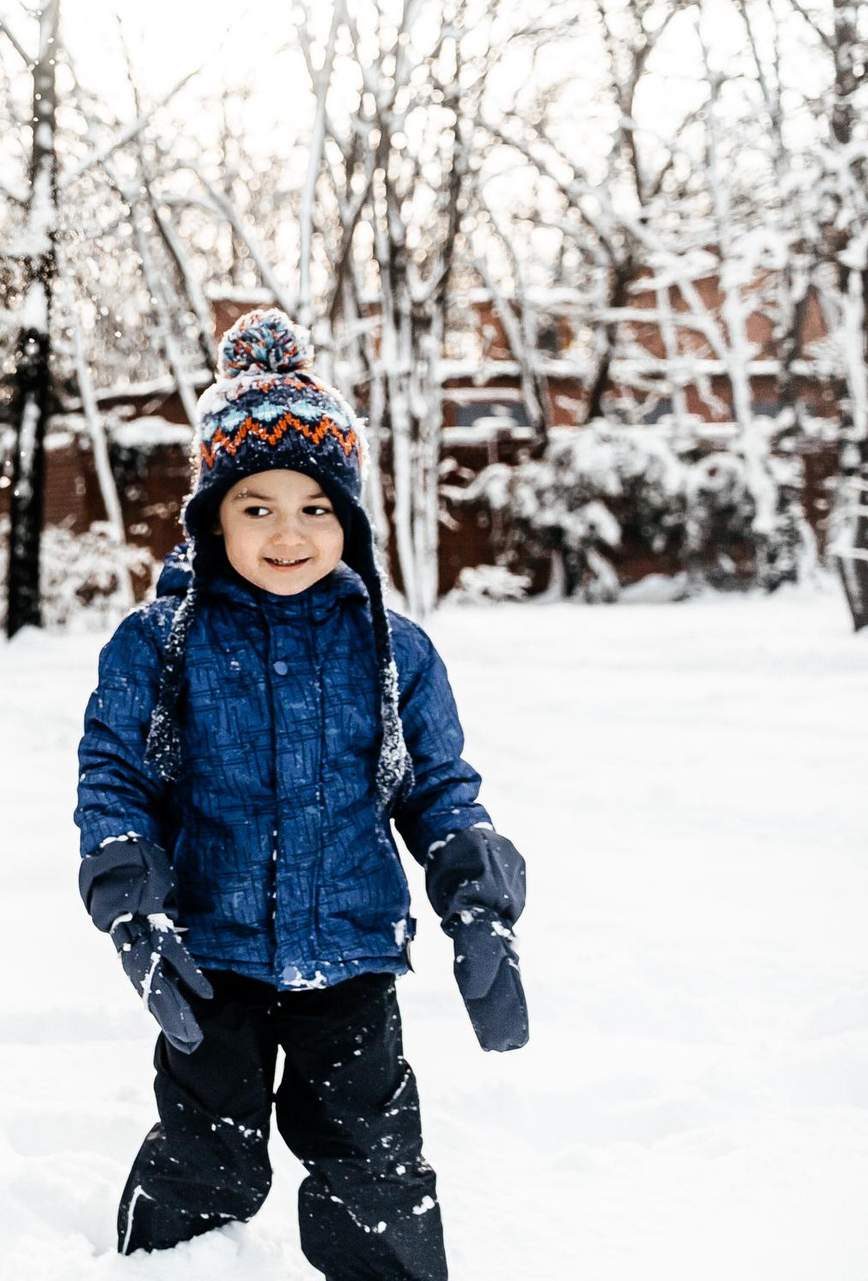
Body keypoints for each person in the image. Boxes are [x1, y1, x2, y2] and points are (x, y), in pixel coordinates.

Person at [74, 308, 529, 1281]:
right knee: (203, 1168)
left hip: (354, 964)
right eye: (257, 506)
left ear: (349, 518)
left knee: (374, 1178)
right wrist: (126, 889)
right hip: (210, 963)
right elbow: (115, 775)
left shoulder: (391, 650)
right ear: (211, 515)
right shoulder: (159, 645)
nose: (288, 532)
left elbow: (437, 787)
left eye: (314, 507)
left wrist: (478, 897)